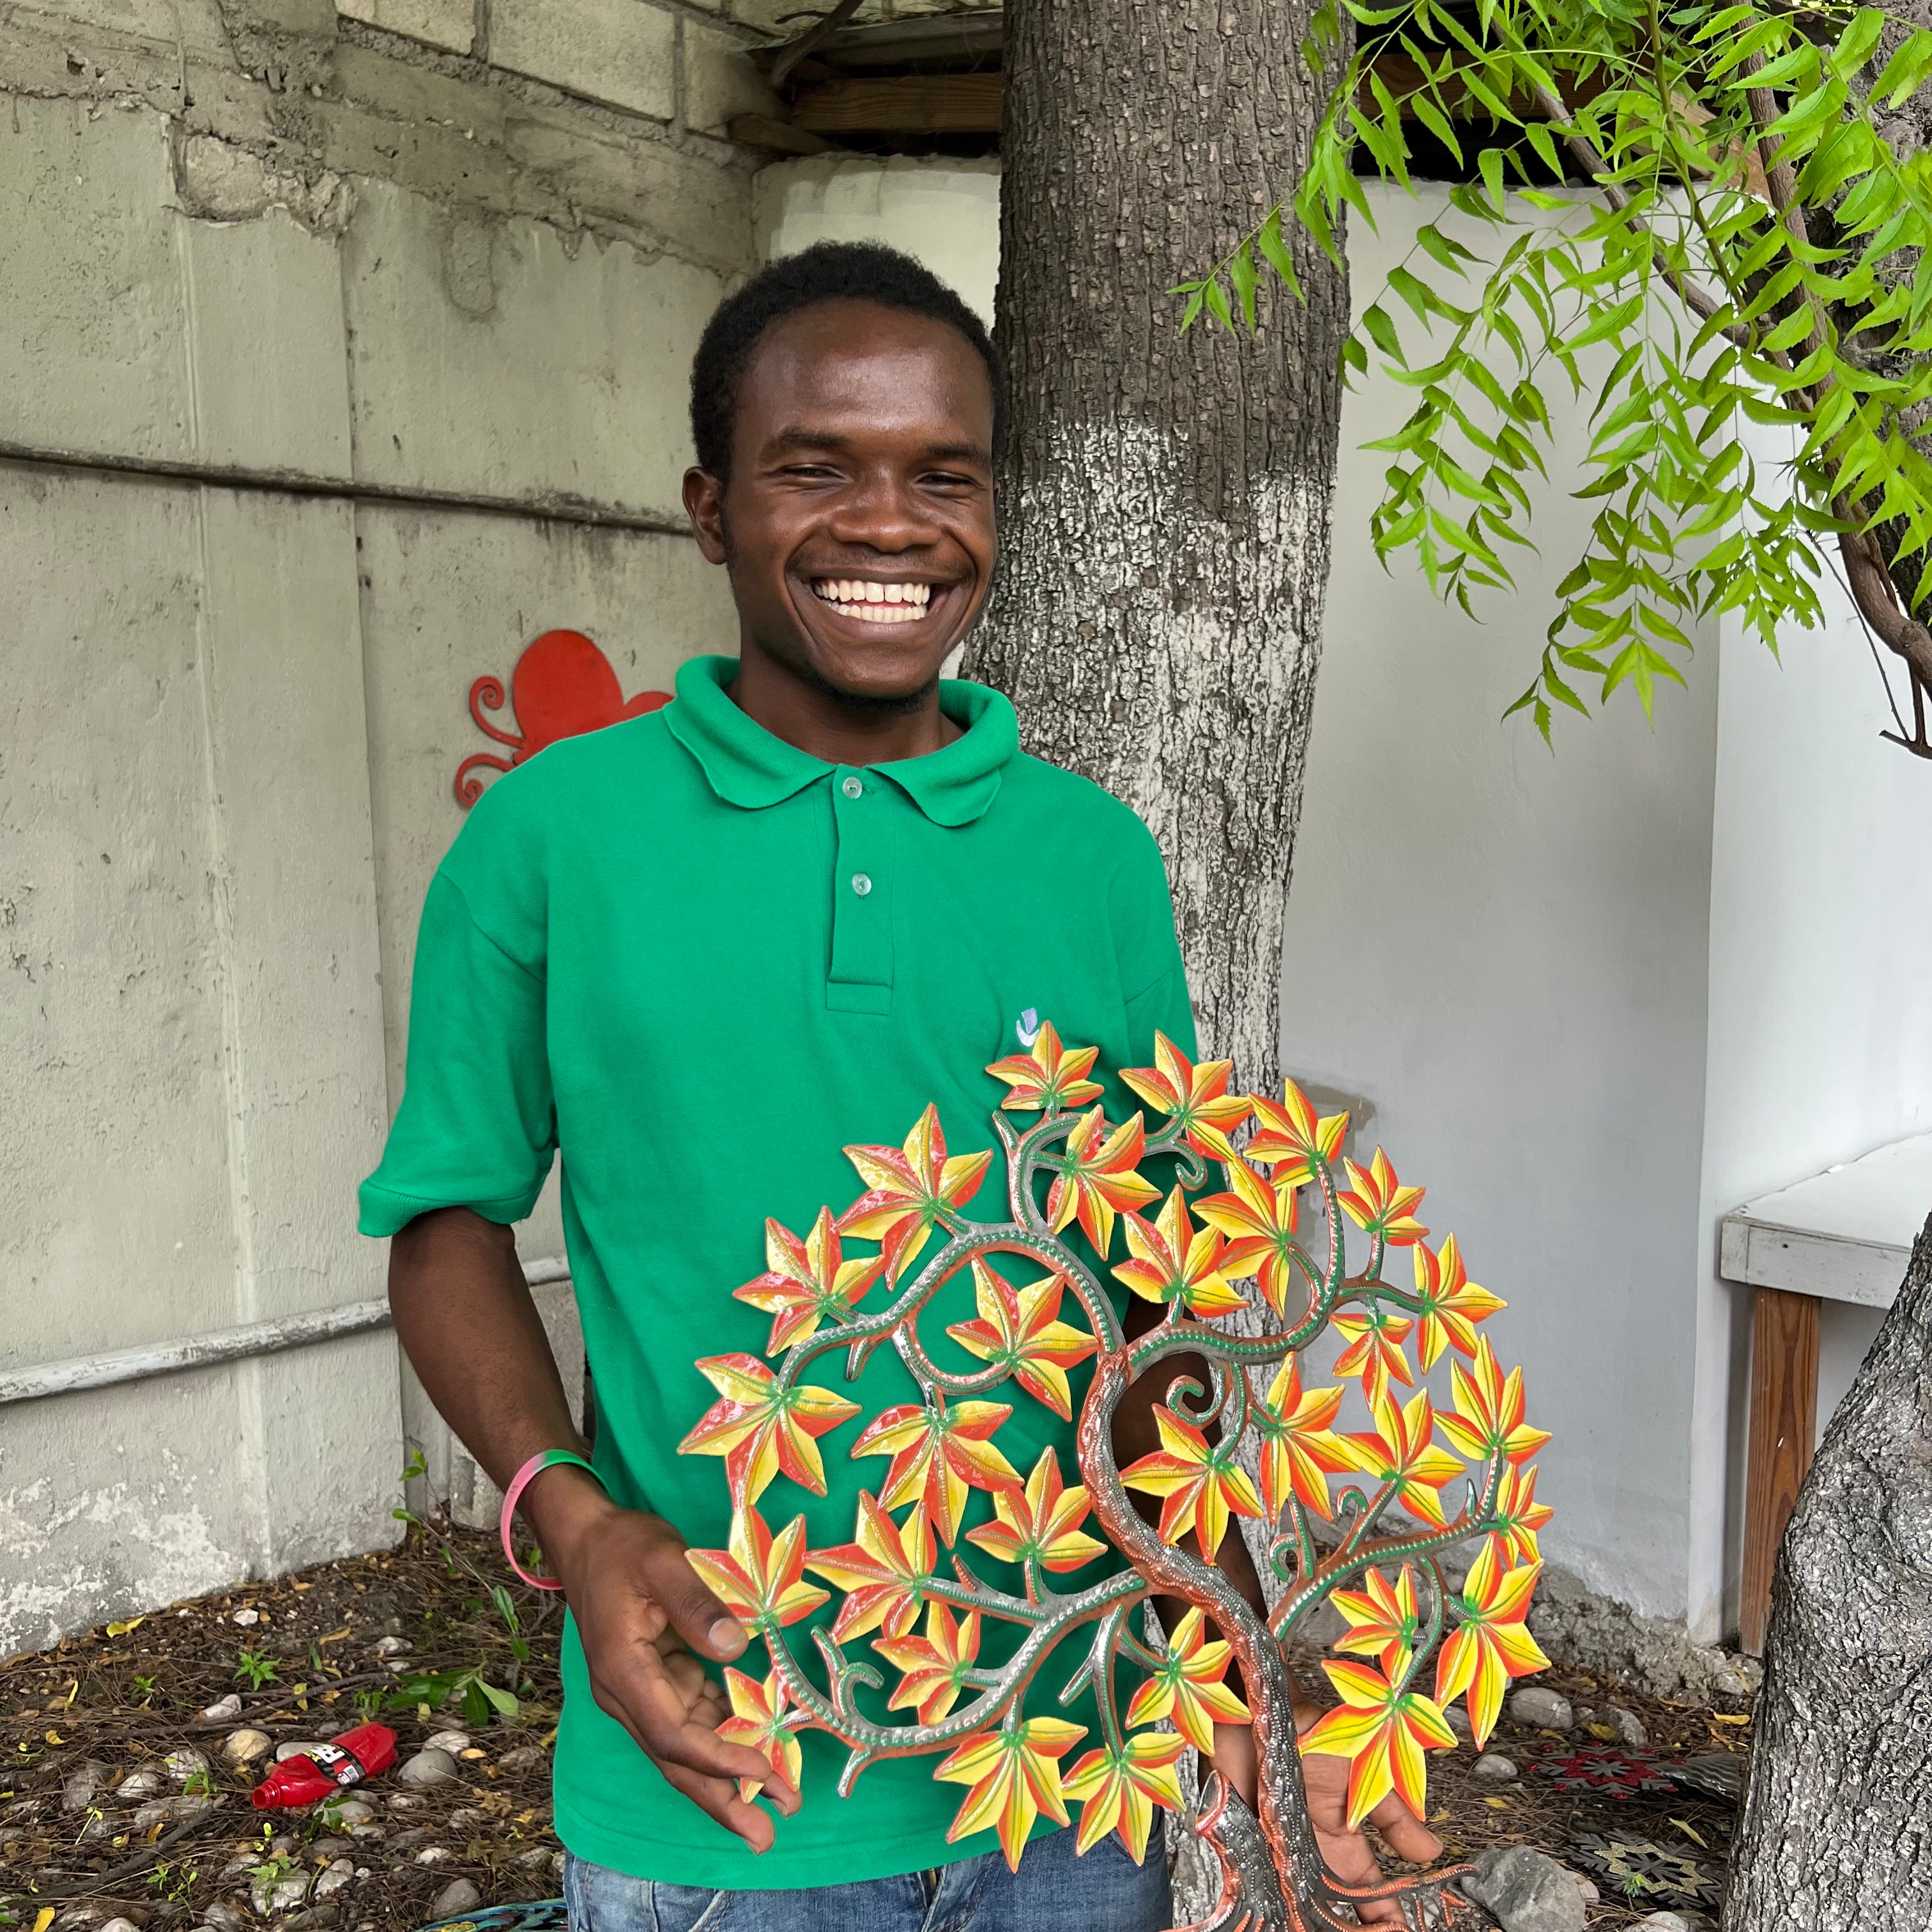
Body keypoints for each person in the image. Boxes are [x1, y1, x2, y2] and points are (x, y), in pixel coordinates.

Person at [360, 241, 1441, 1932]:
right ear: (711, 510)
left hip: (1063, 1779)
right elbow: (443, 1219)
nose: (889, 523)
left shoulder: (1093, 862)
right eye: (817, 470)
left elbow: (1142, 1324)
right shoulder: (551, 839)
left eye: (944, 475)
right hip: (720, 1789)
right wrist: (569, 1523)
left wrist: (1239, 1666)